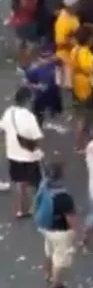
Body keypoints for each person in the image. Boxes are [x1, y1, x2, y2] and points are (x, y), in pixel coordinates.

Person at [0, 87, 43, 218]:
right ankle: (33, 208)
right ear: (28, 100)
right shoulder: (29, 116)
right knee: (35, 183)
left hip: (13, 154)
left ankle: (20, 209)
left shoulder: (9, 112)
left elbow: (1, 128)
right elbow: (37, 137)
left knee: (19, 182)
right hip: (29, 155)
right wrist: (40, 151)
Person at [34, 161, 77, 286]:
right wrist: (78, 235)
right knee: (60, 260)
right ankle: (56, 285)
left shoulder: (43, 186)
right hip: (61, 232)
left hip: (45, 228)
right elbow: (71, 219)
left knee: (49, 250)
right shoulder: (64, 197)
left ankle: (47, 274)